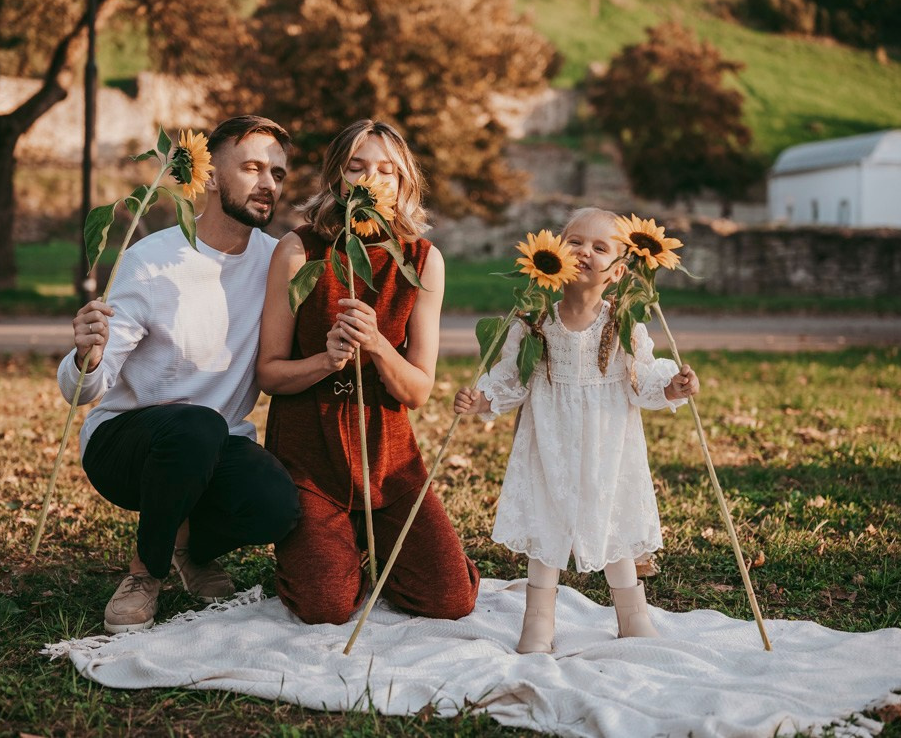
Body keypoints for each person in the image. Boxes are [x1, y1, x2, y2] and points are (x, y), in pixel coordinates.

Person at [57, 115, 300, 634]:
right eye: (252, 167)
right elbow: (83, 391)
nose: (267, 185)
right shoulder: (152, 261)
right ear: (210, 175)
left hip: (215, 447)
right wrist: (87, 356)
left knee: (278, 504)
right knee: (196, 425)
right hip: (127, 444)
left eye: (277, 174)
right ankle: (144, 575)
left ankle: (188, 552)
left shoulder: (276, 262)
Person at [257, 119, 479, 625]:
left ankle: (368, 545)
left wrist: (378, 344)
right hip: (310, 455)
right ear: (337, 179)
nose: (370, 181)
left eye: (386, 171)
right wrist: (326, 359)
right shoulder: (299, 252)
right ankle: (332, 548)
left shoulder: (423, 260)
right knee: (325, 606)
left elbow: (419, 389)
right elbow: (269, 374)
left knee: (451, 599)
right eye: (356, 168)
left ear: (404, 185)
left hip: (388, 456)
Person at [454, 207, 700, 652]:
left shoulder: (623, 324)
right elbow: (515, 378)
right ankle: (538, 623)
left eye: (599, 247)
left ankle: (633, 617)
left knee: (614, 527)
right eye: (575, 242)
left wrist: (672, 386)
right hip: (549, 440)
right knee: (546, 529)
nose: (584, 251)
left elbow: (642, 381)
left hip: (608, 444)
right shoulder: (534, 323)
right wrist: (482, 400)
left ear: (618, 271)